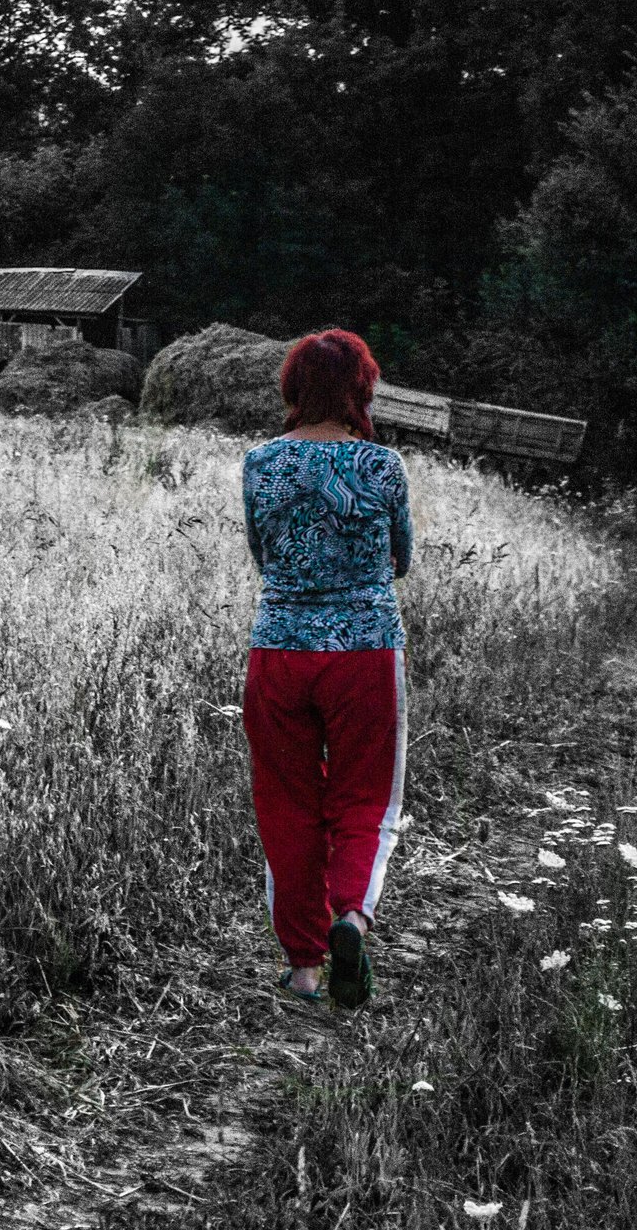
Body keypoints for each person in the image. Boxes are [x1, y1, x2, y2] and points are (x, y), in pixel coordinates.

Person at [240, 329, 412, 1011]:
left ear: (293, 387)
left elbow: (262, 555)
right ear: (361, 389)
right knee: (367, 799)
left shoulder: (260, 462)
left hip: (279, 651)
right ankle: (353, 918)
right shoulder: (383, 466)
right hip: (365, 650)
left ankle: (305, 968)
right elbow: (401, 559)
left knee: (287, 805)